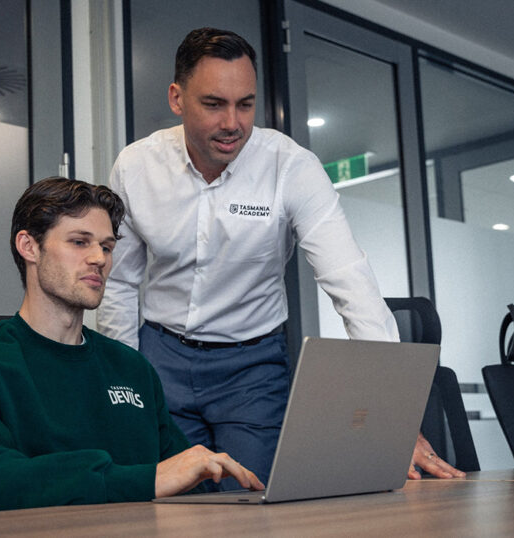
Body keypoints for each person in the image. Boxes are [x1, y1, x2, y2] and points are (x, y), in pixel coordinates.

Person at [96, 27, 464, 487]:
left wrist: (392, 417)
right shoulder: (135, 166)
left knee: (252, 503)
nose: (233, 123)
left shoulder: (291, 167)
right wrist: (124, 378)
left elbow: (349, 279)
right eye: (214, 104)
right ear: (176, 98)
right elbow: (120, 283)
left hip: (251, 366)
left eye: (245, 104)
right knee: (166, 503)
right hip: (159, 356)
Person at [0, 176, 263, 515]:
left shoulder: (132, 368)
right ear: (29, 247)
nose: (99, 258)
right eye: (79, 242)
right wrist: (141, 481)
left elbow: (188, 481)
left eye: (107, 246)